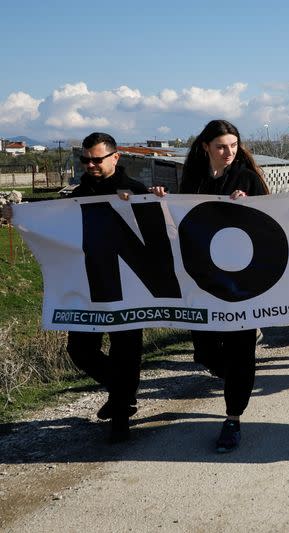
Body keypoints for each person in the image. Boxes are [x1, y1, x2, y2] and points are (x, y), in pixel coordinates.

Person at [31, 132, 148, 443]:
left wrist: (145, 204)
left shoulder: (136, 192)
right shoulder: (76, 194)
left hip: (129, 287)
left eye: (97, 159)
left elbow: (159, 233)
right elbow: (52, 226)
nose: (91, 165)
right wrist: (17, 215)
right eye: (86, 159)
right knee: (80, 350)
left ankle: (121, 415)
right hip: (88, 287)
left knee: (126, 351)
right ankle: (123, 394)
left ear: (115, 157)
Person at [172, 119, 270, 453]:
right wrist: (158, 200)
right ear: (205, 148)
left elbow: (270, 222)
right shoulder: (193, 180)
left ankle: (233, 418)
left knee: (240, 352)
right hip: (204, 282)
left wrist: (249, 206)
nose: (228, 152)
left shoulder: (247, 178)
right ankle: (240, 381)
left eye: (233, 145)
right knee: (205, 351)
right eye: (220, 147)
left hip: (241, 283)